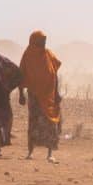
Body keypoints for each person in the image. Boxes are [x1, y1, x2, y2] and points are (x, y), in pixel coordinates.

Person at [19, 30, 62, 161]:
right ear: (34, 41)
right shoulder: (27, 55)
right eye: (41, 41)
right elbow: (21, 75)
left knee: (50, 124)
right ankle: (30, 152)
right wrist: (21, 94)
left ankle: (50, 154)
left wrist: (57, 92)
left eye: (45, 41)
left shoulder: (48, 54)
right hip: (35, 96)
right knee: (34, 123)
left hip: (49, 96)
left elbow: (55, 74)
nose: (44, 43)